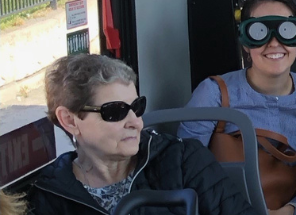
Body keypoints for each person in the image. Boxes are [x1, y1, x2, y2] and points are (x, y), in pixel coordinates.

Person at [24, 54, 253, 214]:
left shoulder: (184, 161)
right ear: (69, 120)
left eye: (136, 107)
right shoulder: (51, 195)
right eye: (115, 111)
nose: (136, 122)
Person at [177, 0, 296, 214]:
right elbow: (185, 167)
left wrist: (292, 208)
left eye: (286, 31)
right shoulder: (213, 93)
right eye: (260, 32)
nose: (274, 43)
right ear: (245, 43)